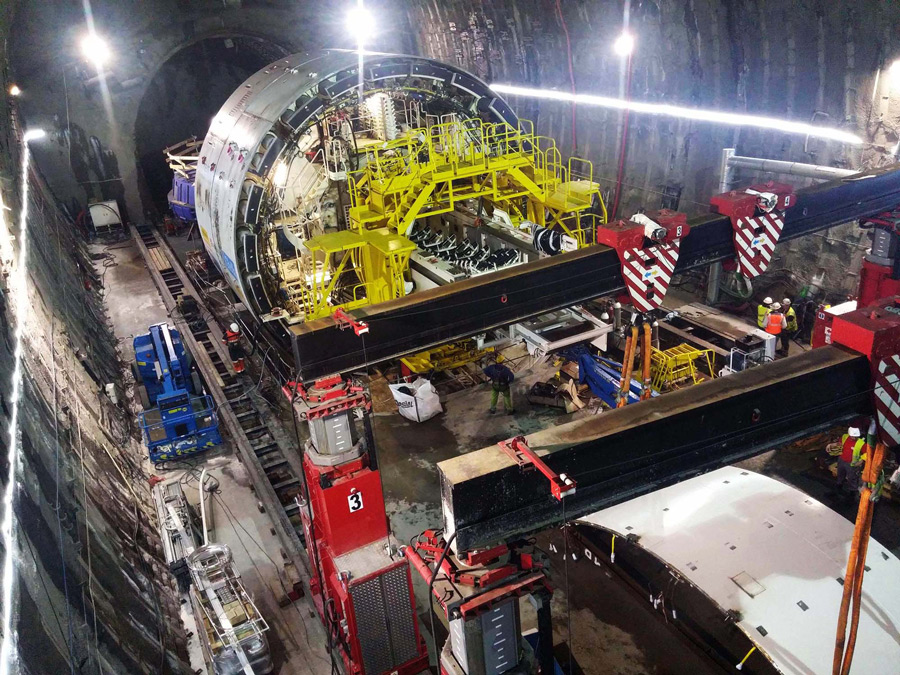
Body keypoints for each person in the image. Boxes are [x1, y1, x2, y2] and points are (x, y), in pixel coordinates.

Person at [832, 425, 869, 495]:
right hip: (842, 460)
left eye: (856, 436)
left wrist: (861, 461)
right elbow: (839, 443)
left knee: (852, 477)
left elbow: (867, 453)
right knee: (840, 474)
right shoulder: (844, 437)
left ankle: (852, 491)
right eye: (853, 436)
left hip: (852, 464)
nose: (854, 437)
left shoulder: (861, 443)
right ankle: (839, 484)